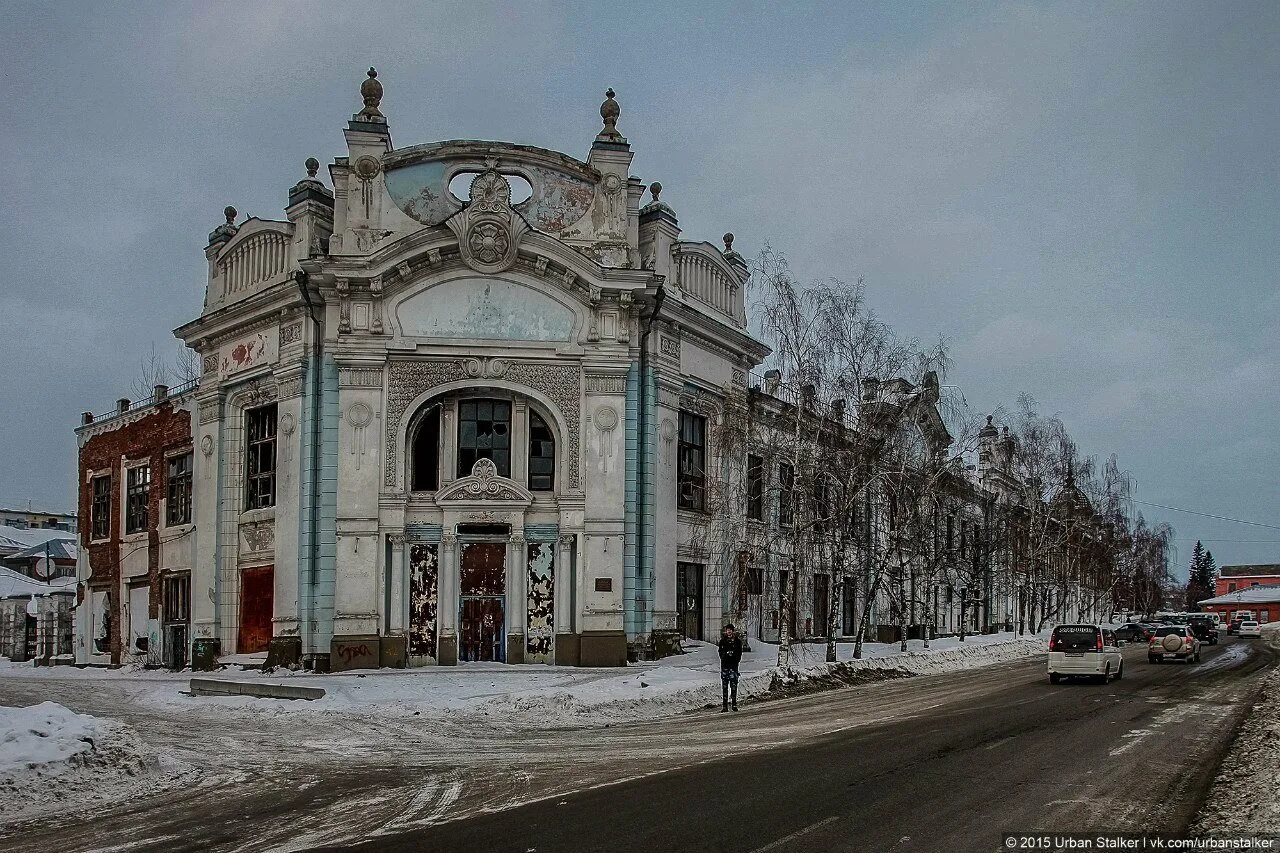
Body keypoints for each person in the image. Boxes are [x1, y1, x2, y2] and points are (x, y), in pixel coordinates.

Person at [718, 623, 743, 712]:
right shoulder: (723, 641)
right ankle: (725, 706)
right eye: (727, 630)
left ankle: (734, 704)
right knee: (724, 687)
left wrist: (734, 657)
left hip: (733, 666)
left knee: (733, 686)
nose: (728, 632)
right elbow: (720, 652)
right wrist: (726, 655)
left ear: (733, 631)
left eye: (730, 630)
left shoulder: (737, 641)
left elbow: (739, 653)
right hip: (725, 666)